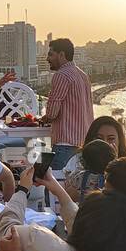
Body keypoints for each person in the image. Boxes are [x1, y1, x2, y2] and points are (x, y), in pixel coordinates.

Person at [41, 38, 93, 170]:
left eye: (51, 54)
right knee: (74, 186)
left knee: (56, 186)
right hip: (83, 142)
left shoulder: (61, 75)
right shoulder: (82, 75)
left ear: (62, 55)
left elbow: (52, 113)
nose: (48, 59)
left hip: (65, 143)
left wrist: (46, 117)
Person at [62, 115, 126, 179]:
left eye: (111, 139)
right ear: (91, 139)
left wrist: (115, 163)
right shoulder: (78, 160)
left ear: (120, 140)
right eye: (99, 138)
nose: (105, 143)